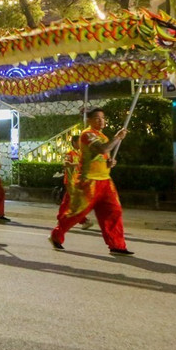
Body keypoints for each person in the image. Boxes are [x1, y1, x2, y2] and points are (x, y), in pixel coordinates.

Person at [50, 107, 133, 256]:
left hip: (105, 181)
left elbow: (103, 156)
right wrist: (118, 137)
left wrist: (110, 163)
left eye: (103, 118)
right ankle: (57, 235)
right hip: (89, 181)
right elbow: (103, 149)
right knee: (77, 213)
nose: (101, 120)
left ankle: (117, 245)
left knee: (114, 211)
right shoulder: (87, 135)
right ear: (89, 120)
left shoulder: (102, 136)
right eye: (97, 118)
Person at [58, 134, 94, 231]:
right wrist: (75, 164)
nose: (81, 144)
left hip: (77, 181)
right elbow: (65, 163)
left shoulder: (80, 154)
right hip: (70, 181)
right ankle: (84, 221)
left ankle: (61, 218)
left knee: (67, 202)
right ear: (74, 143)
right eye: (79, 142)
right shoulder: (70, 153)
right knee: (76, 202)